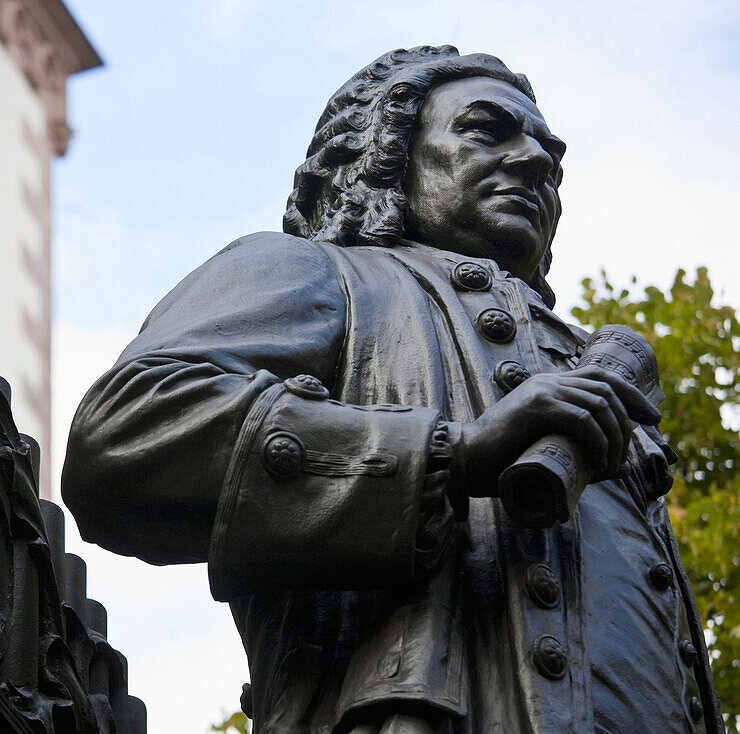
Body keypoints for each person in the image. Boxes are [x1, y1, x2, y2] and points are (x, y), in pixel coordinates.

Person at [61, 46, 723, 733]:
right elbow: (125, 435)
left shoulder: (583, 360)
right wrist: (453, 453)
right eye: (484, 129)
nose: (534, 162)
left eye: (549, 157)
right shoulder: (317, 274)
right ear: (390, 154)